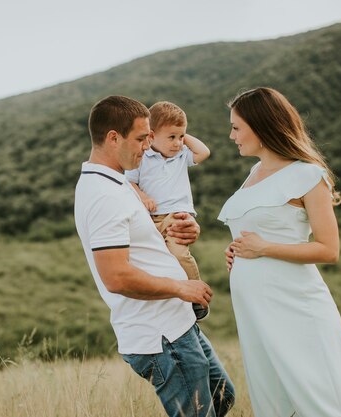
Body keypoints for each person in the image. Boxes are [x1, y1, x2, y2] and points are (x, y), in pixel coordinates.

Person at [75, 95, 235, 417]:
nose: (147, 146)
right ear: (112, 138)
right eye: (140, 138)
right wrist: (181, 287)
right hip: (160, 335)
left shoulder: (118, 181)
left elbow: (146, 240)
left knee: (222, 397)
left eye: (150, 137)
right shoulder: (104, 195)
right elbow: (116, 276)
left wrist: (186, 231)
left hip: (177, 322)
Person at [218, 87, 341, 417]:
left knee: (316, 402)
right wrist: (236, 249)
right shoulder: (253, 175)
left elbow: (329, 249)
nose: (231, 135)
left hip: (295, 306)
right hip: (255, 310)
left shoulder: (308, 175)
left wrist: (264, 247)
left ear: (261, 125)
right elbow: (258, 229)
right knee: (275, 403)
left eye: (237, 127)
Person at [126, 101, 211, 321]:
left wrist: (181, 133)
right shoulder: (143, 158)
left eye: (180, 137)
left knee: (180, 254)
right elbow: (130, 183)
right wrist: (143, 196)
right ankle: (166, 304)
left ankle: (196, 297)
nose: (177, 143)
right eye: (171, 137)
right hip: (151, 218)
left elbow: (203, 152)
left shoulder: (182, 155)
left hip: (178, 215)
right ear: (151, 136)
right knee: (157, 261)